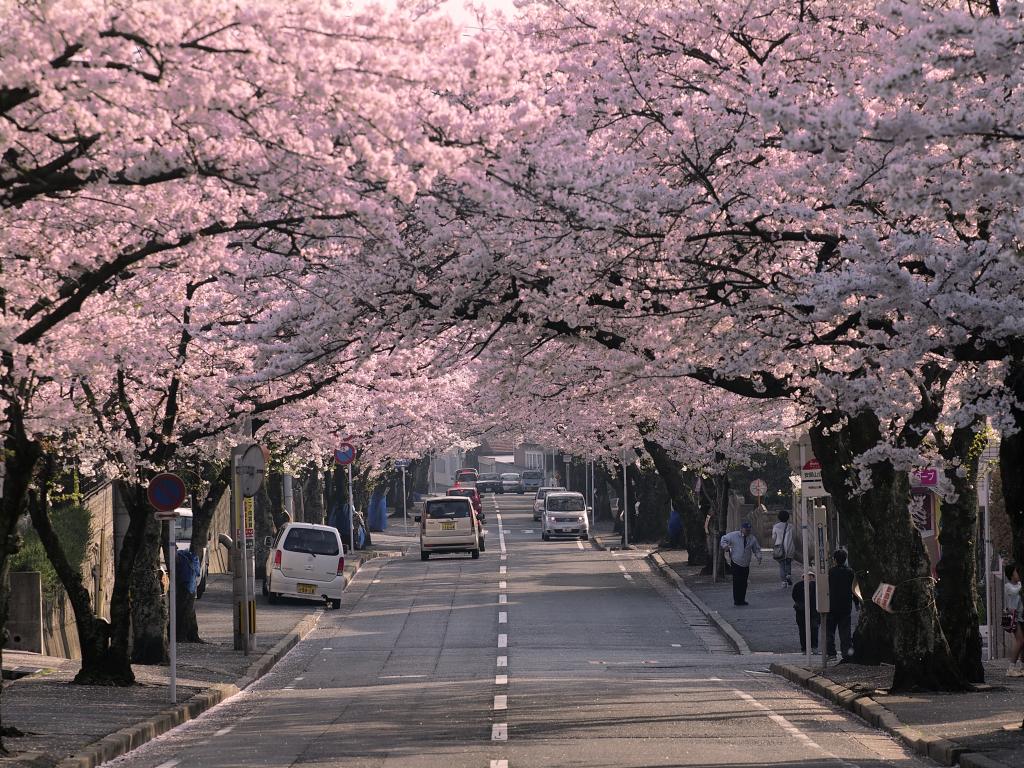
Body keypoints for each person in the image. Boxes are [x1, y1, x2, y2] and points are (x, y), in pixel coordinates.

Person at [827, 549, 860, 660]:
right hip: (846, 605)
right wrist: (856, 603)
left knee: (830, 631)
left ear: (835, 560)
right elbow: (854, 590)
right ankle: (846, 653)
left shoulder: (831, 572)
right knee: (845, 632)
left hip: (832, 605)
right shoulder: (850, 572)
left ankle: (831, 653)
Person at [720, 521, 761, 606]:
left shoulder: (752, 538)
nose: (747, 532)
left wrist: (759, 557)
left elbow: (756, 549)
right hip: (736, 561)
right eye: (746, 530)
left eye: (749, 530)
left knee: (744, 582)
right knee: (737, 581)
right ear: (742, 529)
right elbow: (723, 539)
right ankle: (737, 600)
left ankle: (742, 599)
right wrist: (725, 546)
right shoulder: (734, 535)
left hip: (746, 563)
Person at [1004, 562, 1023, 677]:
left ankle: (1022, 667)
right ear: (1011, 575)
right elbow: (1015, 592)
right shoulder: (1008, 586)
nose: (1018, 574)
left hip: (1022, 616)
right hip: (1015, 618)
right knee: (1020, 641)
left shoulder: (1019, 584)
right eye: (1016, 572)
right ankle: (1011, 668)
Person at [792, 572, 819, 653]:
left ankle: (813, 647)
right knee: (803, 630)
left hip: (813, 611)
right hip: (802, 611)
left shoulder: (815, 585)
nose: (809, 578)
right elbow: (794, 596)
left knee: (814, 629)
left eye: (811, 576)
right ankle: (804, 648)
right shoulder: (798, 585)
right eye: (807, 576)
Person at [771, 510, 796, 588]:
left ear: (779, 518)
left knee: (782, 565)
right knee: (788, 563)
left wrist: (773, 546)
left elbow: (774, 538)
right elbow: (794, 537)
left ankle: (784, 582)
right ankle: (788, 574)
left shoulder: (776, 526)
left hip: (780, 548)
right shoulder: (791, 526)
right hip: (790, 546)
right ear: (788, 517)